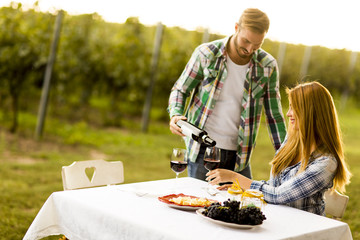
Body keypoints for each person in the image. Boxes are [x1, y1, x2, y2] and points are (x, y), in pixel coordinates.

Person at [168, 8, 287, 181]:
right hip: (203, 151)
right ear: (236, 27)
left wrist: (286, 154)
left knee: (242, 205)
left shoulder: (267, 65)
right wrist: (176, 114)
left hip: (240, 156)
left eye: (257, 45)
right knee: (199, 204)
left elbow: (274, 116)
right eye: (246, 41)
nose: (249, 49)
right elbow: (180, 89)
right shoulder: (206, 54)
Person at [206, 81, 352, 215]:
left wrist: (235, 177)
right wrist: (244, 188)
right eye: (289, 107)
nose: (288, 113)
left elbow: (279, 195)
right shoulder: (291, 141)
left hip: (304, 229)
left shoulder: (326, 163)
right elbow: (273, 186)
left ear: (310, 113)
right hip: (277, 218)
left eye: (294, 108)